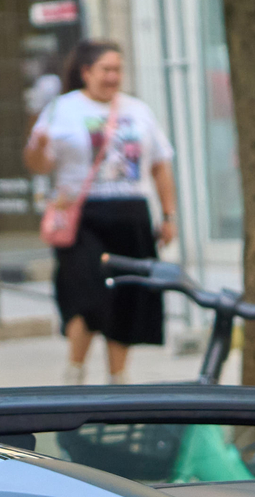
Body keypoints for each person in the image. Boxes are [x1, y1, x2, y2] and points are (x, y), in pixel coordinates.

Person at [25, 39, 178, 384]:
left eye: (117, 70)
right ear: (86, 72)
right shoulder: (62, 108)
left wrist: (168, 216)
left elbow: (160, 164)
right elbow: (37, 164)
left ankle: (118, 377)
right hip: (82, 215)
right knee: (84, 291)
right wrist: (39, 147)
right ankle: (75, 370)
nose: (113, 77)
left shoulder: (138, 110)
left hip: (132, 213)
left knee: (128, 295)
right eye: (106, 70)